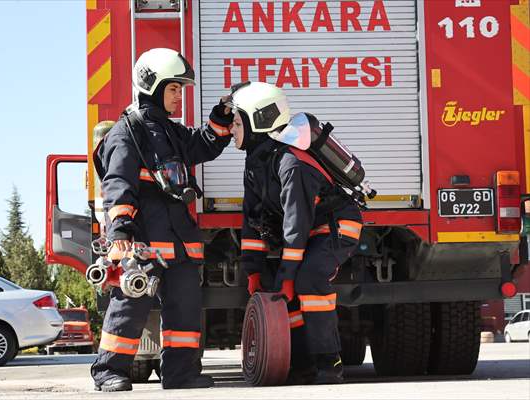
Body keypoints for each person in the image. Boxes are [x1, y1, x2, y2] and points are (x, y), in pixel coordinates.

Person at [91, 48, 233, 392]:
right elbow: (117, 183)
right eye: (173, 89)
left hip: (180, 244)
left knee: (185, 312)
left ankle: (181, 373)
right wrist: (121, 227)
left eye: (180, 90)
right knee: (130, 307)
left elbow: (203, 145)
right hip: (142, 243)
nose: (178, 96)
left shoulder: (170, 131)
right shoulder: (127, 133)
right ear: (151, 85)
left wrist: (221, 118)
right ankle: (109, 371)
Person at [229, 81, 363, 385]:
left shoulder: (292, 162)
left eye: (237, 122)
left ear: (256, 122)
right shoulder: (256, 161)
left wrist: (288, 274)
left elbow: (296, 223)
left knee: (307, 279)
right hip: (307, 231)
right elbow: (252, 220)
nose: (231, 130)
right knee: (276, 284)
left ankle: (330, 363)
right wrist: (253, 271)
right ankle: (301, 363)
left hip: (336, 227)